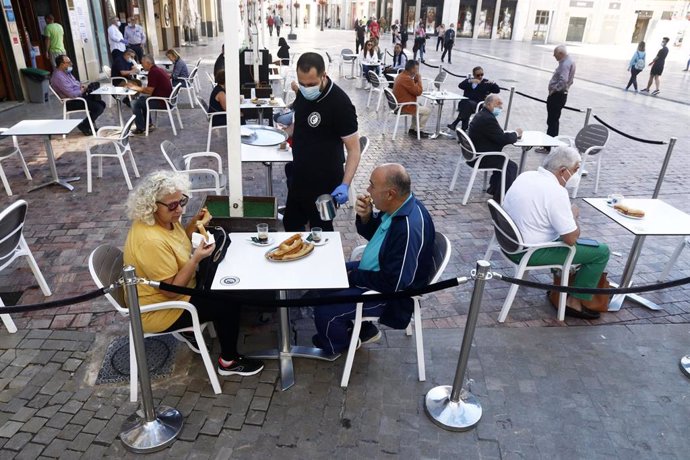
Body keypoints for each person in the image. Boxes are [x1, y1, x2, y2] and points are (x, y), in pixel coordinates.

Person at [123, 171, 265, 376]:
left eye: (181, 201)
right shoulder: (150, 241)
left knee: (224, 284)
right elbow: (170, 291)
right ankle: (229, 362)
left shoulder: (162, 221)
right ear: (152, 206)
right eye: (172, 205)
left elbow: (179, 242)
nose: (179, 209)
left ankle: (193, 330)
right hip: (160, 310)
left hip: (178, 291)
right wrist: (196, 258)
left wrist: (195, 225)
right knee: (227, 300)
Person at [311, 164, 436, 355]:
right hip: (375, 272)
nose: (368, 190)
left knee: (324, 311)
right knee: (327, 277)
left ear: (390, 194)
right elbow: (379, 239)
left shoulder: (408, 228)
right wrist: (367, 217)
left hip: (392, 296)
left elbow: (394, 283)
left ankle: (338, 345)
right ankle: (363, 329)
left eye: (372, 186)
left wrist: (355, 277)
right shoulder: (398, 207)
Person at [502, 147, 610, 320]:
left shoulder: (526, 176)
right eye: (575, 170)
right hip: (529, 253)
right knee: (601, 251)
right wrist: (573, 216)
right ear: (562, 171)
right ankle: (574, 301)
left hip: (508, 244)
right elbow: (571, 239)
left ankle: (559, 285)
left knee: (557, 232)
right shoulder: (556, 192)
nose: (575, 175)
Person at [283, 52, 361, 232]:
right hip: (300, 175)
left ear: (323, 76)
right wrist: (283, 134)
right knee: (291, 224)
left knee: (321, 230)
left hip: (325, 182)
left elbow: (354, 150)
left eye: (311, 84)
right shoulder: (303, 92)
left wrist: (345, 184)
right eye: (302, 84)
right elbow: (300, 123)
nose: (306, 88)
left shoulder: (340, 104)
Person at [467, 94, 522, 202]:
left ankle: (494, 189)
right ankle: (502, 197)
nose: (500, 107)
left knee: (502, 160)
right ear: (489, 104)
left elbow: (497, 135)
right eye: (498, 104)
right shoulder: (488, 119)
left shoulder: (482, 114)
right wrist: (516, 133)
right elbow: (501, 138)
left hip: (473, 154)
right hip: (480, 157)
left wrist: (507, 135)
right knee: (511, 166)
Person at [49, 55, 105, 136]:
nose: (71, 64)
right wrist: (82, 90)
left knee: (101, 103)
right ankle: (84, 125)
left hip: (79, 97)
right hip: (71, 102)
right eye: (68, 63)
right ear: (61, 64)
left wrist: (83, 86)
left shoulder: (66, 73)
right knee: (98, 107)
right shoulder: (58, 77)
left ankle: (87, 125)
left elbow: (76, 83)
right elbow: (71, 94)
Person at [538, 45, 575, 152]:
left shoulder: (565, 64)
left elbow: (563, 80)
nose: (553, 55)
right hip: (561, 95)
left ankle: (548, 146)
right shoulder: (569, 61)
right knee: (554, 121)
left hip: (557, 96)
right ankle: (551, 144)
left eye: (555, 53)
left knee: (552, 121)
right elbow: (570, 81)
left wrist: (554, 90)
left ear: (560, 53)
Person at [126, 55, 173, 135]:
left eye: (142, 63)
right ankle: (149, 124)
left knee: (134, 103)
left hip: (162, 102)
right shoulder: (158, 69)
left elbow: (149, 91)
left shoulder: (153, 72)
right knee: (142, 100)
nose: (142, 65)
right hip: (167, 99)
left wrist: (135, 87)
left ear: (148, 63)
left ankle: (140, 128)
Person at [448, 66, 500, 131]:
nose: (480, 77)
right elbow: (460, 85)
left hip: (478, 105)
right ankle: (463, 129)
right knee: (467, 106)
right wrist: (470, 81)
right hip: (465, 104)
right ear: (474, 75)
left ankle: (456, 123)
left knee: (467, 105)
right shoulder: (470, 81)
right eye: (478, 75)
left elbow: (497, 90)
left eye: (482, 74)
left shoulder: (486, 83)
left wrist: (493, 83)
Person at [393, 60, 431, 138]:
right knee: (427, 111)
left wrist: (415, 80)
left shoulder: (401, 75)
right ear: (412, 69)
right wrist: (419, 79)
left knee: (418, 105)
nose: (417, 71)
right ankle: (419, 130)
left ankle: (413, 129)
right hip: (404, 106)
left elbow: (411, 88)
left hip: (399, 104)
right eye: (417, 69)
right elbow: (418, 92)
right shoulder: (407, 79)